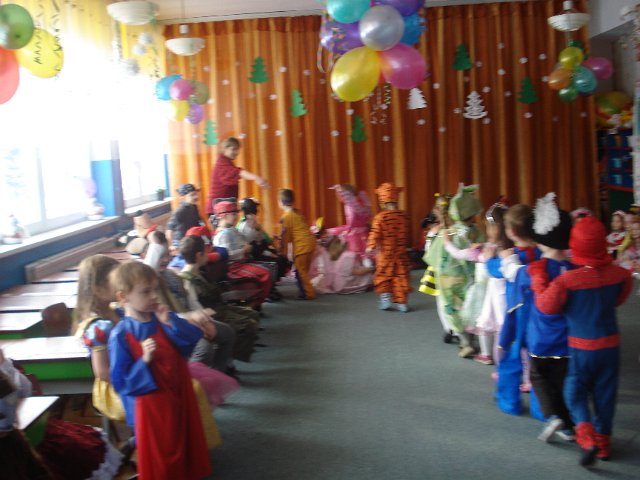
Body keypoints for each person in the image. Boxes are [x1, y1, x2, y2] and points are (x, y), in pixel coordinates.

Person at [528, 216, 633, 466]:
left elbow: (545, 306)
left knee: (574, 391)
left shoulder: (567, 281)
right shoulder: (621, 275)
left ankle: (586, 436)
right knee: (605, 394)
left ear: (574, 244)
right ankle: (604, 443)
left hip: (581, 348)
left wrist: (538, 278)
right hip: (610, 346)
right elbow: (619, 299)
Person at [108, 261, 212, 480]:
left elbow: (189, 342)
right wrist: (144, 361)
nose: (154, 296)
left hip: (179, 391)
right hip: (153, 403)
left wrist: (171, 323)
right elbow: (121, 382)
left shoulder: (162, 317)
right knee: (162, 452)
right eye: (146, 292)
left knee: (184, 440)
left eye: (155, 289)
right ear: (123, 297)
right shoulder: (121, 334)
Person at [512, 193, 575, 442]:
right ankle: (568, 424)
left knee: (539, 377)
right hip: (568, 340)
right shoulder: (575, 269)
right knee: (561, 382)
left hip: (541, 338)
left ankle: (552, 416)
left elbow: (517, 297)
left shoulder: (531, 271)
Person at [180, 234, 261, 363]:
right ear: (199, 255)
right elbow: (195, 307)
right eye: (205, 252)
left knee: (253, 314)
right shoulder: (188, 280)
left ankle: (232, 353)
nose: (208, 255)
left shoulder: (199, 272)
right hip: (211, 315)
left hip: (219, 308)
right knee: (248, 325)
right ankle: (228, 359)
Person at [425, 183, 483, 349]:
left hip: (446, 276)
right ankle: (467, 333)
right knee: (467, 302)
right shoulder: (473, 230)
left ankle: (455, 332)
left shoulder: (445, 232)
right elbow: (479, 247)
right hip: (468, 274)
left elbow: (431, 253)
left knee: (447, 304)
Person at [212, 198, 272, 306]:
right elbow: (226, 255)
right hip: (234, 267)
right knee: (265, 274)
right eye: (233, 214)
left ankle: (255, 303)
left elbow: (246, 242)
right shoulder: (222, 235)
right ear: (223, 216)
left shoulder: (233, 230)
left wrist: (257, 232)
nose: (236, 216)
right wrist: (243, 250)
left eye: (236, 213)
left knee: (267, 271)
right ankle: (254, 304)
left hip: (242, 262)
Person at [366, 182, 412, 312]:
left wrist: (370, 246)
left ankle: (385, 298)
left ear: (382, 201)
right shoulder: (404, 216)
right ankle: (402, 303)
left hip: (385, 254)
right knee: (400, 276)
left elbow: (375, 233)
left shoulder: (380, 218)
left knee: (384, 276)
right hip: (400, 253)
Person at [237, 197, 289, 300]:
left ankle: (272, 287)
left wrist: (269, 250)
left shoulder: (255, 225)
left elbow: (263, 242)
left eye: (254, 214)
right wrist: (267, 251)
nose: (253, 217)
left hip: (260, 251)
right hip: (252, 256)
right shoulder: (243, 227)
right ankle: (269, 290)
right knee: (277, 261)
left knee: (283, 259)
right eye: (251, 214)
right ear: (246, 214)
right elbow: (252, 248)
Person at [206, 137, 269, 215]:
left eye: (237, 149)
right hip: (217, 210)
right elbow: (238, 172)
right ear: (225, 149)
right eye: (233, 149)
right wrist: (256, 178)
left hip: (223, 209)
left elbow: (237, 172)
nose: (236, 152)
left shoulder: (226, 162)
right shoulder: (222, 163)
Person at [278, 188, 318, 300]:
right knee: (302, 271)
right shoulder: (297, 212)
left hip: (302, 247)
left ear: (280, 202)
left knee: (301, 271)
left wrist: (282, 253)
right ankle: (303, 291)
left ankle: (309, 293)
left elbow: (285, 238)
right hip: (310, 243)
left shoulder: (286, 217)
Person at [326, 184, 372, 255]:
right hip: (364, 232)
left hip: (354, 234)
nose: (339, 196)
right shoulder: (361, 202)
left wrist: (339, 231)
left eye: (340, 194)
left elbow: (351, 223)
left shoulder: (349, 206)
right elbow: (368, 216)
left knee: (355, 254)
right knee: (364, 254)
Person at [166, 183, 205, 253]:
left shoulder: (194, 207)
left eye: (196, 194)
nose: (196, 197)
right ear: (183, 197)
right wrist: (171, 245)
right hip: (181, 242)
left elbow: (200, 221)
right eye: (192, 195)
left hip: (191, 239)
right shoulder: (180, 211)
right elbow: (169, 229)